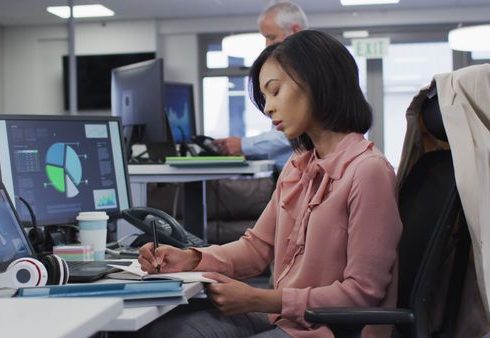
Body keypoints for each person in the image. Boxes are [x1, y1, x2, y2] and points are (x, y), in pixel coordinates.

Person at [137, 30, 403, 338]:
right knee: (166, 332)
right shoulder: (299, 165)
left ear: (318, 82)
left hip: (331, 332)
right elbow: (256, 248)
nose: (268, 108)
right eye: (265, 98)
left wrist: (258, 299)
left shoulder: (369, 172)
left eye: (275, 91)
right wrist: (191, 258)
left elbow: (362, 294)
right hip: (286, 319)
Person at [213, 1, 308, 171]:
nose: (267, 45)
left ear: (295, 30)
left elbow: (297, 131)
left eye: (271, 37)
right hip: (289, 172)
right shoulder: (288, 69)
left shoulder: (309, 72)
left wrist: (244, 145)